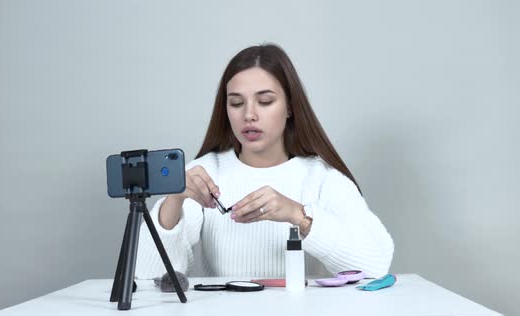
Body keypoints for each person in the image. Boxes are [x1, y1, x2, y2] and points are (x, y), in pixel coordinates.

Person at [135, 43, 394, 279]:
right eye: (236, 103)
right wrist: (175, 199)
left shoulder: (321, 177)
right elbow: (147, 277)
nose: (249, 115)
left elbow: (376, 264)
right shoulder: (205, 172)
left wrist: (298, 215)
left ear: (290, 107)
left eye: (265, 101)